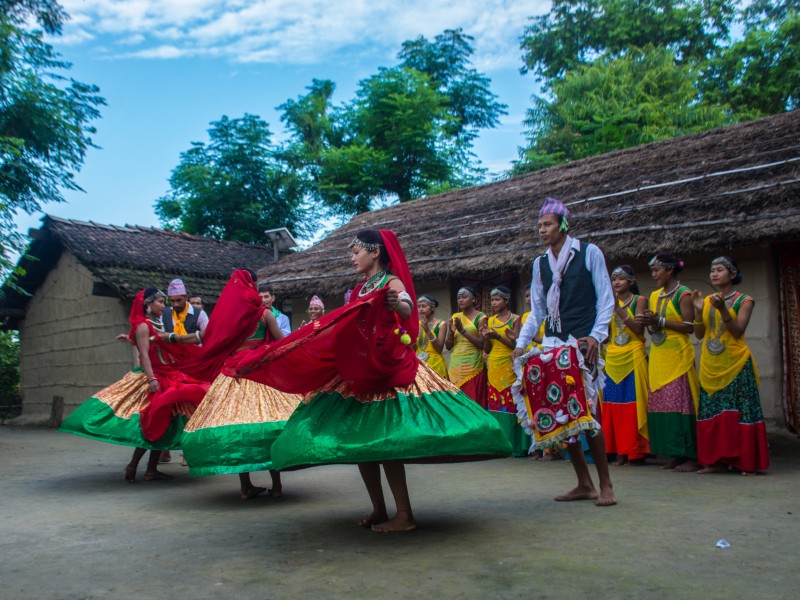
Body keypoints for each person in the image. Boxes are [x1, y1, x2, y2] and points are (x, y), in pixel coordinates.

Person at [235, 229, 512, 532]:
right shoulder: (361, 287)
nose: (352, 257)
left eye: (356, 252)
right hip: (362, 369)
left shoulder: (390, 282)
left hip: (388, 370)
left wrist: (395, 304)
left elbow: (405, 306)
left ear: (375, 252)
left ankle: (404, 515)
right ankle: (379, 509)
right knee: (363, 444)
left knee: (385, 442)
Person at [512, 197, 617, 506]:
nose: (542, 230)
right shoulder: (540, 263)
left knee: (589, 412)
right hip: (553, 344)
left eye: (548, 224)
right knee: (561, 415)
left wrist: (597, 337)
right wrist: (521, 344)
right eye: (539, 225)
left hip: (583, 342)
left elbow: (606, 300)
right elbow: (538, 310)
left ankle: (606, 484)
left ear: (563, 225)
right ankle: (584, 484)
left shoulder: (589, 253)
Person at [173, 270, 301, 499]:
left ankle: (245, 487)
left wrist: (171, 339)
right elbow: (282, 343)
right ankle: (277, 485)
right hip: (261, 374)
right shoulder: (265, 315)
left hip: (233, 376)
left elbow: (209, 340)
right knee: (268, 426)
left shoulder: (228, 318)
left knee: (237, 428)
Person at [60, 288, 209, 482]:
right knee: (152, 420)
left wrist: (131, 341)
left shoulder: (152, 324)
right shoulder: (143, 325)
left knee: (163, 421)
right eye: (160, 302)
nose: (163, 306)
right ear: (148, 304)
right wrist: (151, 379)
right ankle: (133, 466)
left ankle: (149, 469)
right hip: (156, 377)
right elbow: (145, 354)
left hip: (167, 374)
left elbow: (151, 346)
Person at [692, 257, 769, 474]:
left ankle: (745, 462)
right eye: (711, 270)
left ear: (733, 274)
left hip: (736, 364)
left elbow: (737, 331)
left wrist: (723, 309)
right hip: (710, 364)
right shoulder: (707, 301)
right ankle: (715, 461)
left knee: (739, 413)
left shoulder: (745, 301)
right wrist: (698, 310)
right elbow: (699, 334)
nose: (714, 274)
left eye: (719, 270)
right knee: (713, 411)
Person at [636, 251, 699, 472]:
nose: (654, 275)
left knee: (682, 405)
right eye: (652, 270)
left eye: (657, 270)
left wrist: (660, 320)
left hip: (678, 355)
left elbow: (689, 326)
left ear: (670, 270)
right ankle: (674, 453)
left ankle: (691, 455)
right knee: (662, 404)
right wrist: (650, 322)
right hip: (659, 354)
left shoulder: (683, 294)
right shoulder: (654, 296)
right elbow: (654, 327)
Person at [602, 265, 650, 466]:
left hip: (632, 356)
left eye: (621, 278)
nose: (616, 282)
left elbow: (638, 329)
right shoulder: (607, 302)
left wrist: (618, 309)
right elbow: (606, 334)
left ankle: (635, 452)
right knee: (613, 406)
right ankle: (618, 451)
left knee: (632, 405)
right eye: (614, 279)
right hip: (613, 358)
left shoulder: (639, 301)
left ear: (631, 281)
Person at [446, 286, 488, 407]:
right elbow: (448, 346)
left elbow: (482, 343)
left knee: (473, 401)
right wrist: (451, 332)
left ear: (473, 299)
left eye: (464, 297)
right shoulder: (456, 317)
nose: (460, 300)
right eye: (459, 298)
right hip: (455, 365)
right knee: (457, 402)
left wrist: (462, 330)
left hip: (473, 365)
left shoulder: (481, 317)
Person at [481, 286, 520, 413]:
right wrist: (487, 337)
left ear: (506, 300)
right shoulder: (490, 321)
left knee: (511, 402)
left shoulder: (515, 319)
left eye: (497, 300)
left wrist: (497, 336)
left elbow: (516, 346)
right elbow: (487, 350)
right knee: (495, 402)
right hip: (493, 365)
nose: (494, 303)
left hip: (509, 363)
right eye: (492, 300)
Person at [415, 294, 448, 379]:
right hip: (419, 366)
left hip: (436, 366)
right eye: (418, 307)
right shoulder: (415, 324)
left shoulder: (441, 324)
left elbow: (439, 348)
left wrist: (427, 331)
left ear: (432, 308)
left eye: (424, 306)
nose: (420, 309)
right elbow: (412, 349)